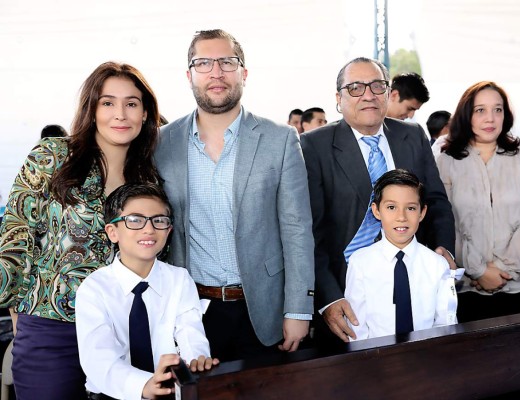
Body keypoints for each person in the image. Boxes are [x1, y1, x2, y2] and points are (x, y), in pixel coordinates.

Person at [0, 61, 161, 400]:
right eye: (107, 102)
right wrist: (18, 312)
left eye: (131, 103)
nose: (120, 114)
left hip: (123, 335)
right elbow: (17, 236)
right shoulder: (52, 156)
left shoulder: (150, 180)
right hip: (51, 331)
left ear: (145, 113)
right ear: (91, 108)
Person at [155, 29, 314, 362]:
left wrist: (299, 309)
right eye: (203, 63)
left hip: (264, 311)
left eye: (227, 62)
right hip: (190, 312)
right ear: (189, 75)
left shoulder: (279, 140)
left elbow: (297, 230)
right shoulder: (161, 143)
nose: (216, 72)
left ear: (243, 72)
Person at [300, 57, 455, 343]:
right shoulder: (314, 145)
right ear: (339, 98)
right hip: (346, 293)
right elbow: (309, 231)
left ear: (388, 92)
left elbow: (435, 201)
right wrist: (328, 298)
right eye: (356, 87)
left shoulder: (412, 135)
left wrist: (443, 250)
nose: (368, 95)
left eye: (377, 85)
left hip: (413, 284)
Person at [76, 183, 218, 400]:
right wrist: (143, 385)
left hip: (171, 391)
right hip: (112, 394)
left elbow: (190, 333)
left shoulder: (179, 279)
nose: (149, 229)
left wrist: (197, 360)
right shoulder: (94, 288)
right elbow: (98, 358)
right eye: (135, 220)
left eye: (159, 220)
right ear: (112, 232)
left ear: (168, 230)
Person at [436, 81, 520, 323]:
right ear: (466, 115)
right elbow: (448, 223)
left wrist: (503, 270)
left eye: (497, 109)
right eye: (480, 110)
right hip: (466, 288)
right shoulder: (447, 161)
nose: (490, 118)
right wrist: (477, 270)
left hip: (519, 284)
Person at [345, 169, 458, 340]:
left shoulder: (437, 264)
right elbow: (357, 329)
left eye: (411, 208)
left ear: (422, 212)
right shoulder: (360, 262)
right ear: (376, 211)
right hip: (375, 359)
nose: (401, 217)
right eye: (391, 207)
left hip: (427, 357)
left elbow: (446, 323)